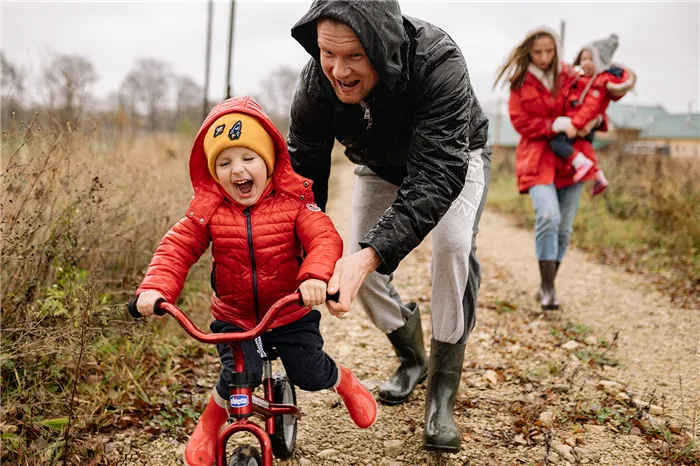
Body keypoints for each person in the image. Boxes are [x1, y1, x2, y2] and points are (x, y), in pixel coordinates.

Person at [287, 0, 490, 452]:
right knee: (356, 261)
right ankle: (411, 357)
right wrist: (301, 251)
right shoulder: (314, 83)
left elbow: (437, 174)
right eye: (327, 53)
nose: (338, 70)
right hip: (378, 165)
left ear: (383, 46)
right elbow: (303, 176)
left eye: (354, 55)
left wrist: (372, 254)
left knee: (453, 246)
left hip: (454, 158)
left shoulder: (440, 62)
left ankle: (441, 392)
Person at [134, 96, 377, 466]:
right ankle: (208, 426)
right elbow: (177, 247)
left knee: (309, 374)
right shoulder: (209, 210)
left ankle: (343, 381)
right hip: (236, 318)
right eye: (225, 162)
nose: (238, 170)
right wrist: (155, 288)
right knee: (237, 378)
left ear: (268, 161)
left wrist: (313, 277)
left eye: (248, 158)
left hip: (288, 313)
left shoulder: (294, 203)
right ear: (214, 172)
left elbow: (324, 238)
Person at [495, 27, 632, 310]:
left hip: (572, 158)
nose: (544, 57)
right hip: (537, 158)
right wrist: (553, 125)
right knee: (548, 216)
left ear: (556, 50)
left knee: (564, 228)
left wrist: (596, 121)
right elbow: (520, 122)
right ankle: (547, 289)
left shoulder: (570, 74)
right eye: (538, 52)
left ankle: (548, 285)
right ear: (528, 51)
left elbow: (594, 96)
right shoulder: (520, 82)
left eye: (549, 51)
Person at [550, 34, 636, 196]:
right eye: (583, 59)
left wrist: (576, 125)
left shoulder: (598, 83)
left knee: (558, 144)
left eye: (590, 59)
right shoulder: (581, 80)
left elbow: (590, 108)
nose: (585, 63)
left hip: (579, 124)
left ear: (600, 62)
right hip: (579, 123)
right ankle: (598, 176)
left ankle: (581, 164)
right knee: (584, 147)